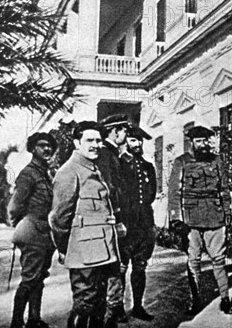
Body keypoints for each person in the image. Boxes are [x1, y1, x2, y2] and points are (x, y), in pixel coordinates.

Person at [49, 121, 121, 328]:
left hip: (103, 250)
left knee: (99, 303)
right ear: (76, 143)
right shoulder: (69, 172)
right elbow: (58, 219)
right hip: (84, 251)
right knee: (84, 304)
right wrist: (64, 248)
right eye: (90, 140)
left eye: (99, 140)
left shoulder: (95, 169)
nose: (96, 145)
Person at [168, 125, 232, 315]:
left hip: (215, 216)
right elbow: (174, 192)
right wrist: (175, 218)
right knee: (193, 260)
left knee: (219, 259)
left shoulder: (216, 160)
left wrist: (228, 212)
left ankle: (225, 299)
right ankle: (195, 300)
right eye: (199, 141)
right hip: (190, 219)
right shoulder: (181, 162)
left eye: (206, 140)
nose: (204, 144)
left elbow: (224, 189)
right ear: (192, 142)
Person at [8, 132, 58, 328]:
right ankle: (17, 321)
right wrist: (21, 225)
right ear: (32, 149)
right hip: (32, 232)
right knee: (29, 279)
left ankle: (34, 319)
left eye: (49, 146)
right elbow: (14, 206)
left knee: (39, 277)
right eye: (41, 145)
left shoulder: (46, 174)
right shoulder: (28, 174)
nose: (47, 149)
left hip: (46, 234)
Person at [116, 125, 157, 321]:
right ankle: (118, 309)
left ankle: (138, 306)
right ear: (125, 142)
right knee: (121, 268)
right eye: (133, 140)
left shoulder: (148, 166)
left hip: (144, 225)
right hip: (126, 225)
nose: (138, 144)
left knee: (140, 267)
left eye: (140, 141)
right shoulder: (118, 165)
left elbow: (152, 194)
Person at [96, 114, 131, 326]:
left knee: (119, 265)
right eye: (124, 131)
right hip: (111, 221)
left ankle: (114, 309)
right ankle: (109, 314)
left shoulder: (113, 154)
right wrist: (118, 220)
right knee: (113, 268)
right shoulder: (106, 155)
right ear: (115, 131)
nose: (126, 135)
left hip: (118, 219)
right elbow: (109, 191)